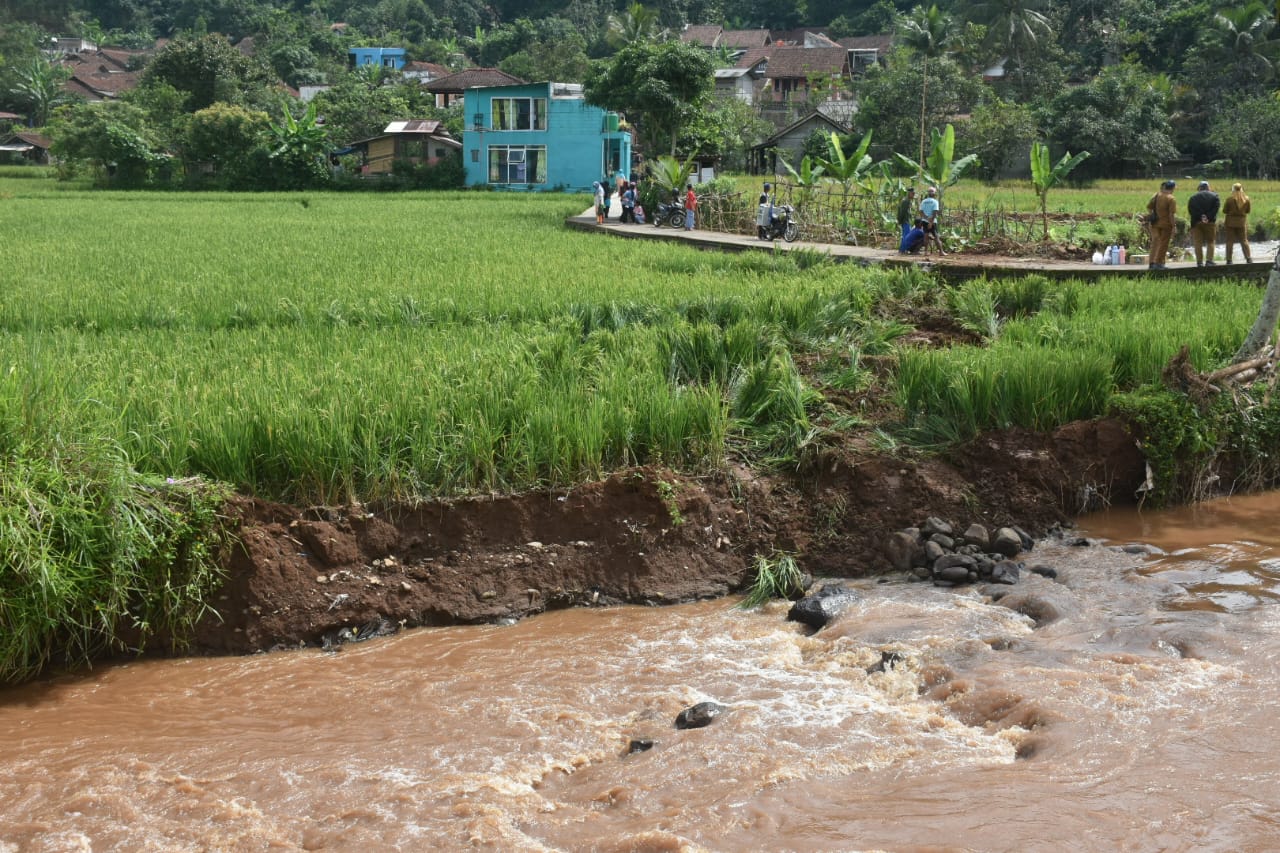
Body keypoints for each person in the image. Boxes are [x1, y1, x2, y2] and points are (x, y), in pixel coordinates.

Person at [1187, 180, 1220, 267]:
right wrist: (1207, 217)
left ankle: (1199, 262)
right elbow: (1215, 210)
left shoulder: (1193, 197)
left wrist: (1200, 217)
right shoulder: (1215, 196)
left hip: (1196, 222)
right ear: (1208, 187)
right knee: (1210, 241)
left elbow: (1191, 211)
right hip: (1210, 222)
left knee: (1198, 242)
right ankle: (1209, 261)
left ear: (1199, 188)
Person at [1146, 180, 1177, 270]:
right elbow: (1171, 214)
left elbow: (1149, 207)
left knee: (1155, 243)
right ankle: (1159, 263)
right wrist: (1174, 226)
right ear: (1172, 188)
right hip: (1166, 225)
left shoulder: (1156, 195)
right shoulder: (1171, 198)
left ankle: (1152, 263)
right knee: (1163, 244)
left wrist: (1154, 215)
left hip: (1155, 223)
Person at [1222, 182, 1253, 264]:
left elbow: (1224, 210)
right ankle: (1248, 258)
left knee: (1229, 241)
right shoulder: (1246, 199)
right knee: (1244, 240)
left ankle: (1229, 260)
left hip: (1230, 223)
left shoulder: (1229, 199)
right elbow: (1248, 211)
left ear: (1233, 189)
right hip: (1241, 223)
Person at [919, 186, 946, 255]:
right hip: (933, 222)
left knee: (926, 236)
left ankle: (925, 252)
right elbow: (935, 212)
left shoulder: (923, 201)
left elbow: (921, 212)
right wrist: (931, 222)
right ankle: (941, 251)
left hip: (924, 221)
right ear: (934, 193)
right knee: (936, 236)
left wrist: (926, 218)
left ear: (928, 193)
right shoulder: (935, 202)